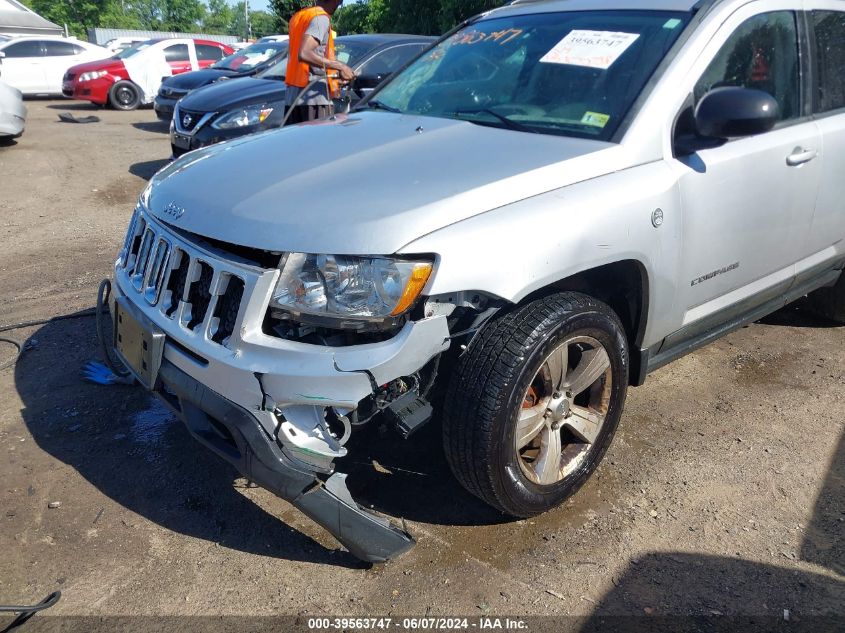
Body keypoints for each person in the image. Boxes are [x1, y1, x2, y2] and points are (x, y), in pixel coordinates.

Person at [284, 0, 355, 124]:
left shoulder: (299, 17)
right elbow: (305, 53)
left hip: (294, 95)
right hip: (313, 98)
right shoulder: (321, 18)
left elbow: (306, 59)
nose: (340, 4)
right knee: (317, 141)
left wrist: (334, 77)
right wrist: (341, 67)